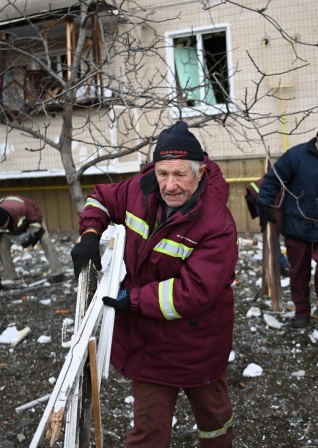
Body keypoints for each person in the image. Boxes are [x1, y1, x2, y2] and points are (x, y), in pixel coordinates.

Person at [70, 121, 237, 447]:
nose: (170, 185)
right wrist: (90, 234)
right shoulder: (139, 189)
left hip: (198, 345)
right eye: (163, 174)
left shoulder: (217, 223)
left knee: (214, 420)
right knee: (148, 433)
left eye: (179, 175)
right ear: (153, 170)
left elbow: (194, 293)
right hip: (149, 347)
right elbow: (101, 198)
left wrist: (131, 299)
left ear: (200, 172)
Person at [257, 119, 318, 328]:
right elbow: (273, 179)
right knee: (299, 270)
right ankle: (302, 312)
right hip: (297, 222)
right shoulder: (297, 156)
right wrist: (264, 206)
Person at [0, 195, 66, 289]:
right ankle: (11, 278)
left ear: (7, 219)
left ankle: (58, 272)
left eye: (1, 226)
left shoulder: (21, 207)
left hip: (31, 223)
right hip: (11, 232)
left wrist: (34, 235)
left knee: (46, 240)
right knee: (1, 246)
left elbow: (36, 218)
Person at [245, 176, 290, 275]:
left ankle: (281, 263)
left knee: (273, 232)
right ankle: (281, 265)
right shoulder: (288, 190)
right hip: (259, 196)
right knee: (272, 233)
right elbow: (277, 219)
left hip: (259, 194)